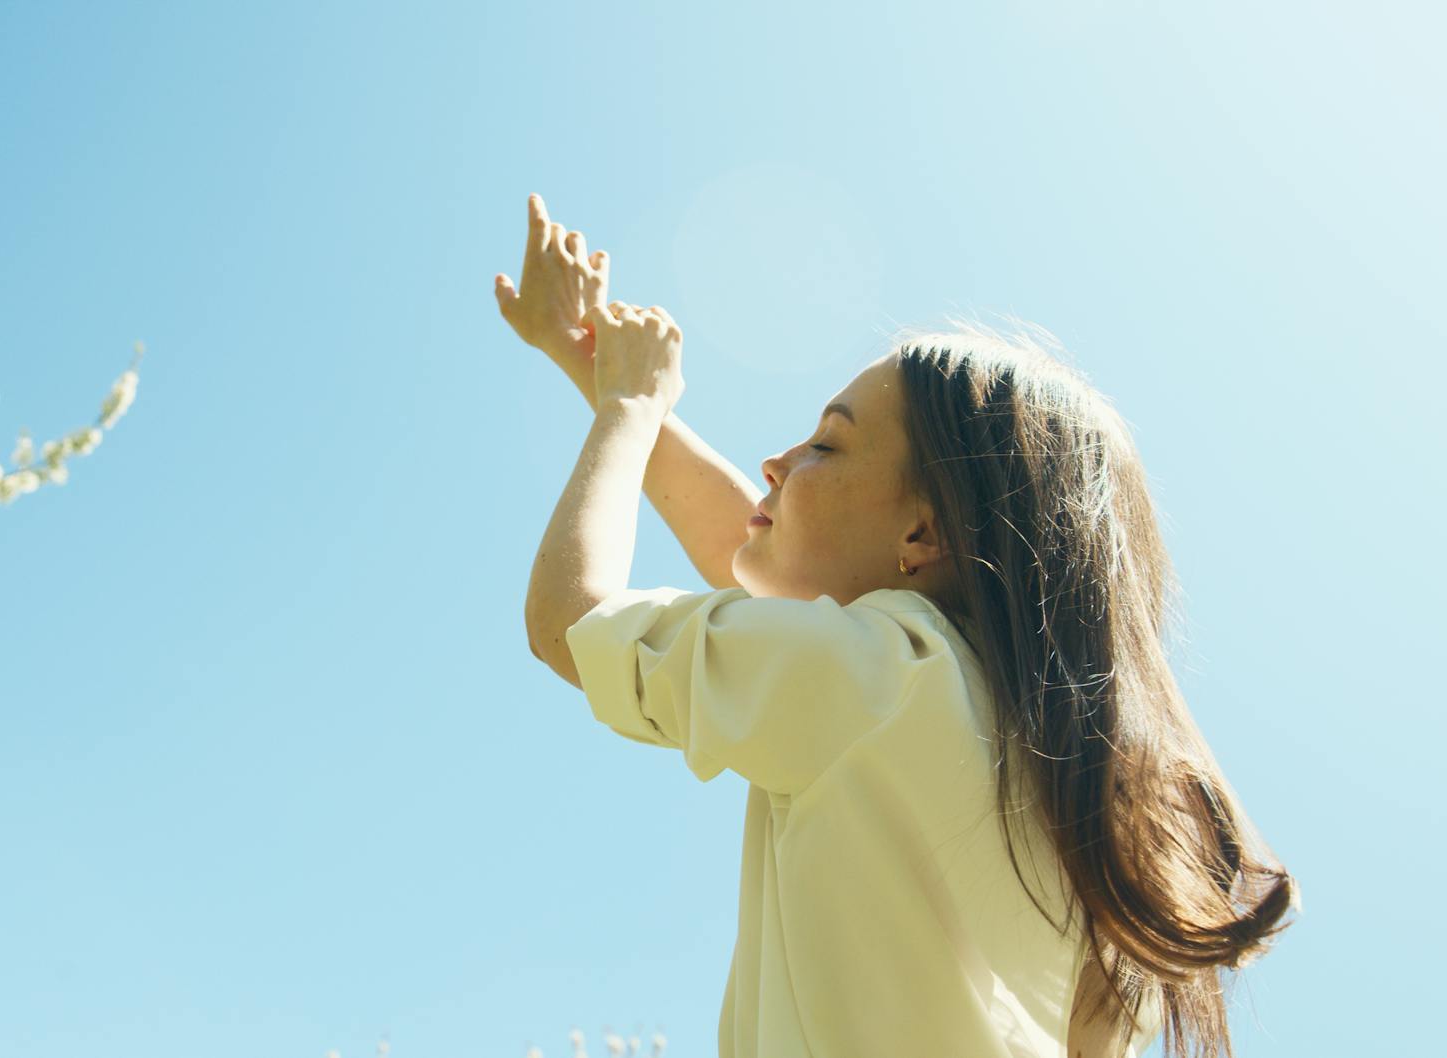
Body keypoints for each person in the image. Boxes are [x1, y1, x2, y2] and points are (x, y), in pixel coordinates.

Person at [499, 193, 1298, 1058]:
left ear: (923, 535)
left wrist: (625, 405)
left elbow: (569, 619)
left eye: (826, 445)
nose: (777, 460)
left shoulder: (877, 681)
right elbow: (758, 549)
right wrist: (591, 364)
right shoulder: (1078, 802)